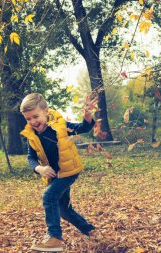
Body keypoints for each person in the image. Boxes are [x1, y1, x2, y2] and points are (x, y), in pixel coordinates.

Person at [20, 93, 97, 252]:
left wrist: (87, 115)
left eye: (36, 116)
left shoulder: (59, 126)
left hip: (69, 170)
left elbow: (82, 128)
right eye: (28, 119)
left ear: (46, 111)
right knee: (64, 210)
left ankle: (54, 238)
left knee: (49, 196)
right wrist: (39, 168)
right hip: (56, 175)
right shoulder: (31, 135)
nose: (33, 122)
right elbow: (31, 157)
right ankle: (91, 231)